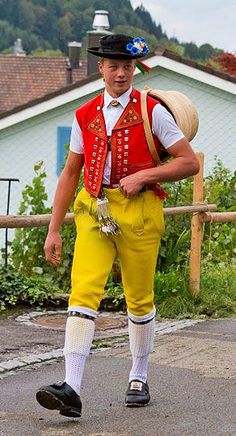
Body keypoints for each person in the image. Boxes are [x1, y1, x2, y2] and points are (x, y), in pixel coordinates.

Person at [36, 34, 199, 417]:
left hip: (139, 211)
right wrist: (54, 229)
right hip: (94, 208)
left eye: (127, 67)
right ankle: (72, 387)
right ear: (101, 69)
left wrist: (145, 176)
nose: (121, 73)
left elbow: (187, 162)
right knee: (83, 291)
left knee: (138, 298)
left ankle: (138, 375)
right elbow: (69, 173)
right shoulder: (84, 114)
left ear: (133, 70)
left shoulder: (152, 111)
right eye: (114, 66)